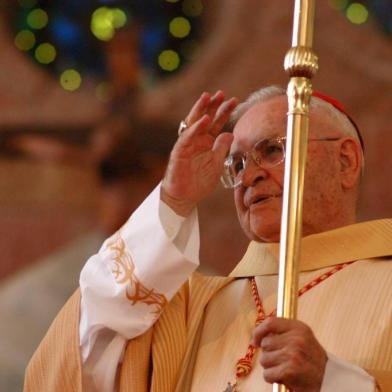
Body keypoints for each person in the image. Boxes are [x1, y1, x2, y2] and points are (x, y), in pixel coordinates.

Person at [25, 86, 392, 392]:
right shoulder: (192, 310)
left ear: (345, 161)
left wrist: (332, 382)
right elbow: (79, 355)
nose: (250, 176)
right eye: (237, 165)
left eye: (273, 150)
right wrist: (172, 201)